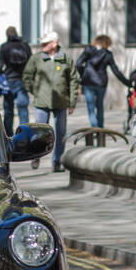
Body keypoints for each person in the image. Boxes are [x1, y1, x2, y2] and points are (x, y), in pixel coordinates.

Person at [22, 30, 80, 170]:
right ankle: (35, 157)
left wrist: (72, 102)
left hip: (61, 103)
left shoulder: (66, 58)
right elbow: (27, 76)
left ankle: (57, 161)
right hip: (41, 103)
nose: (42, 46)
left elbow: (73, 81)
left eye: (45, 43)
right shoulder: (36, 58)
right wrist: (35, 91)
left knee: (60, 133)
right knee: (39, 134)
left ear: (54, 43)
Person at [75, 34, 129, 128]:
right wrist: (127, 83)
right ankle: (100, 129)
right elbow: (116, 71)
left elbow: (78, 63)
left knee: (90, 107)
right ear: (107, 43)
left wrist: (83, 73)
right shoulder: (108, 54)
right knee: (100, 106)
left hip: (88, 82)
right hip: (101, 83)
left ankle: (94, 127)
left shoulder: (88, 50)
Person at [0, 25, 31, 135]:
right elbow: (31, 64)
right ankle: (24, 134)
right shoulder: (25, 46)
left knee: (8, 111)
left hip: (9, 81)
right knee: (23, 109)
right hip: (22, 81)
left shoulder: (4, 47)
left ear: (7, 35)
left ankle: (9, 136)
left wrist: (1, 77)